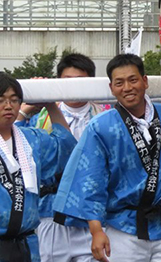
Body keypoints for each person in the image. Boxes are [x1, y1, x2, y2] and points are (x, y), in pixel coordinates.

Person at [53, 54, 161, 262]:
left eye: (133, 80)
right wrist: (96, 230)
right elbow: (91, 180)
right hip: (122, 227)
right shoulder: (101, 126)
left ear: (145, 81)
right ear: (111, 88)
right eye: (119, 82)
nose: (127, 87)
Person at [16, 53, 108, 262]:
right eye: (67, 82)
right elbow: (10, 144)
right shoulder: (39, 117)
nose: (73, 88)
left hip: (93, 215)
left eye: (80, 82)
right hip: (49, 212)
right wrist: (25, 111)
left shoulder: (106, 116)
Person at [0, 72, 76, 262]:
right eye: (1, 100)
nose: (8, 106)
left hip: (28, 243)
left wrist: (50, 103)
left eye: (14, 100)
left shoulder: (32, 138)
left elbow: (66, 147)